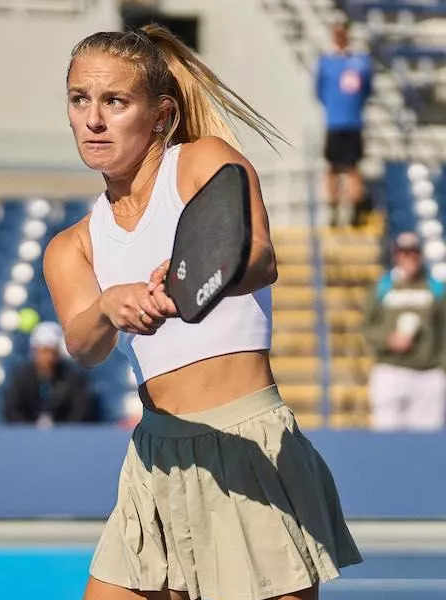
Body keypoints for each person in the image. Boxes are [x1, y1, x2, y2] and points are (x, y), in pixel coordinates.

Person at [43, 25, 362, 600]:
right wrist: (108, 308)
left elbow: (261, 259)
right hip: (154, 456)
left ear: (161, 115)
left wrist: (199, 277)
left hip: (247, 446)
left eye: (115, 102)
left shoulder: (201, 161)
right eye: (79, 99)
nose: (93, 120)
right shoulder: (71, 246)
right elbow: (82, 346)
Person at [362, 232, 446, 431]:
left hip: (428, 373)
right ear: (396, 255)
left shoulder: (435, 288)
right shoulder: (382, 287)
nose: (409, 257)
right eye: (404, 252)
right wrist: (387, 339)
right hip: (390, 371)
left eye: (414, 252)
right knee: (387, 438)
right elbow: (367, 327)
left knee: (428, 440)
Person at [315, 21, 373, 229]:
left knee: (352, 167)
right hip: (334, 123)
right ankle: (333, 208)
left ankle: (354, 210)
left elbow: (366, 89)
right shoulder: (327, 61)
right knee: (332, 166)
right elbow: (320, 91)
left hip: (353, 123)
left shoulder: (360, 61)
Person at [3, 321, 96, 426]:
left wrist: (59, 430)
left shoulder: (74, 378)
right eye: (44, 351)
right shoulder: (21, 377)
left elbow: (81, 411)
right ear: (34, 350)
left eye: (53, 351)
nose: (49, 357)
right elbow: (11, 409)